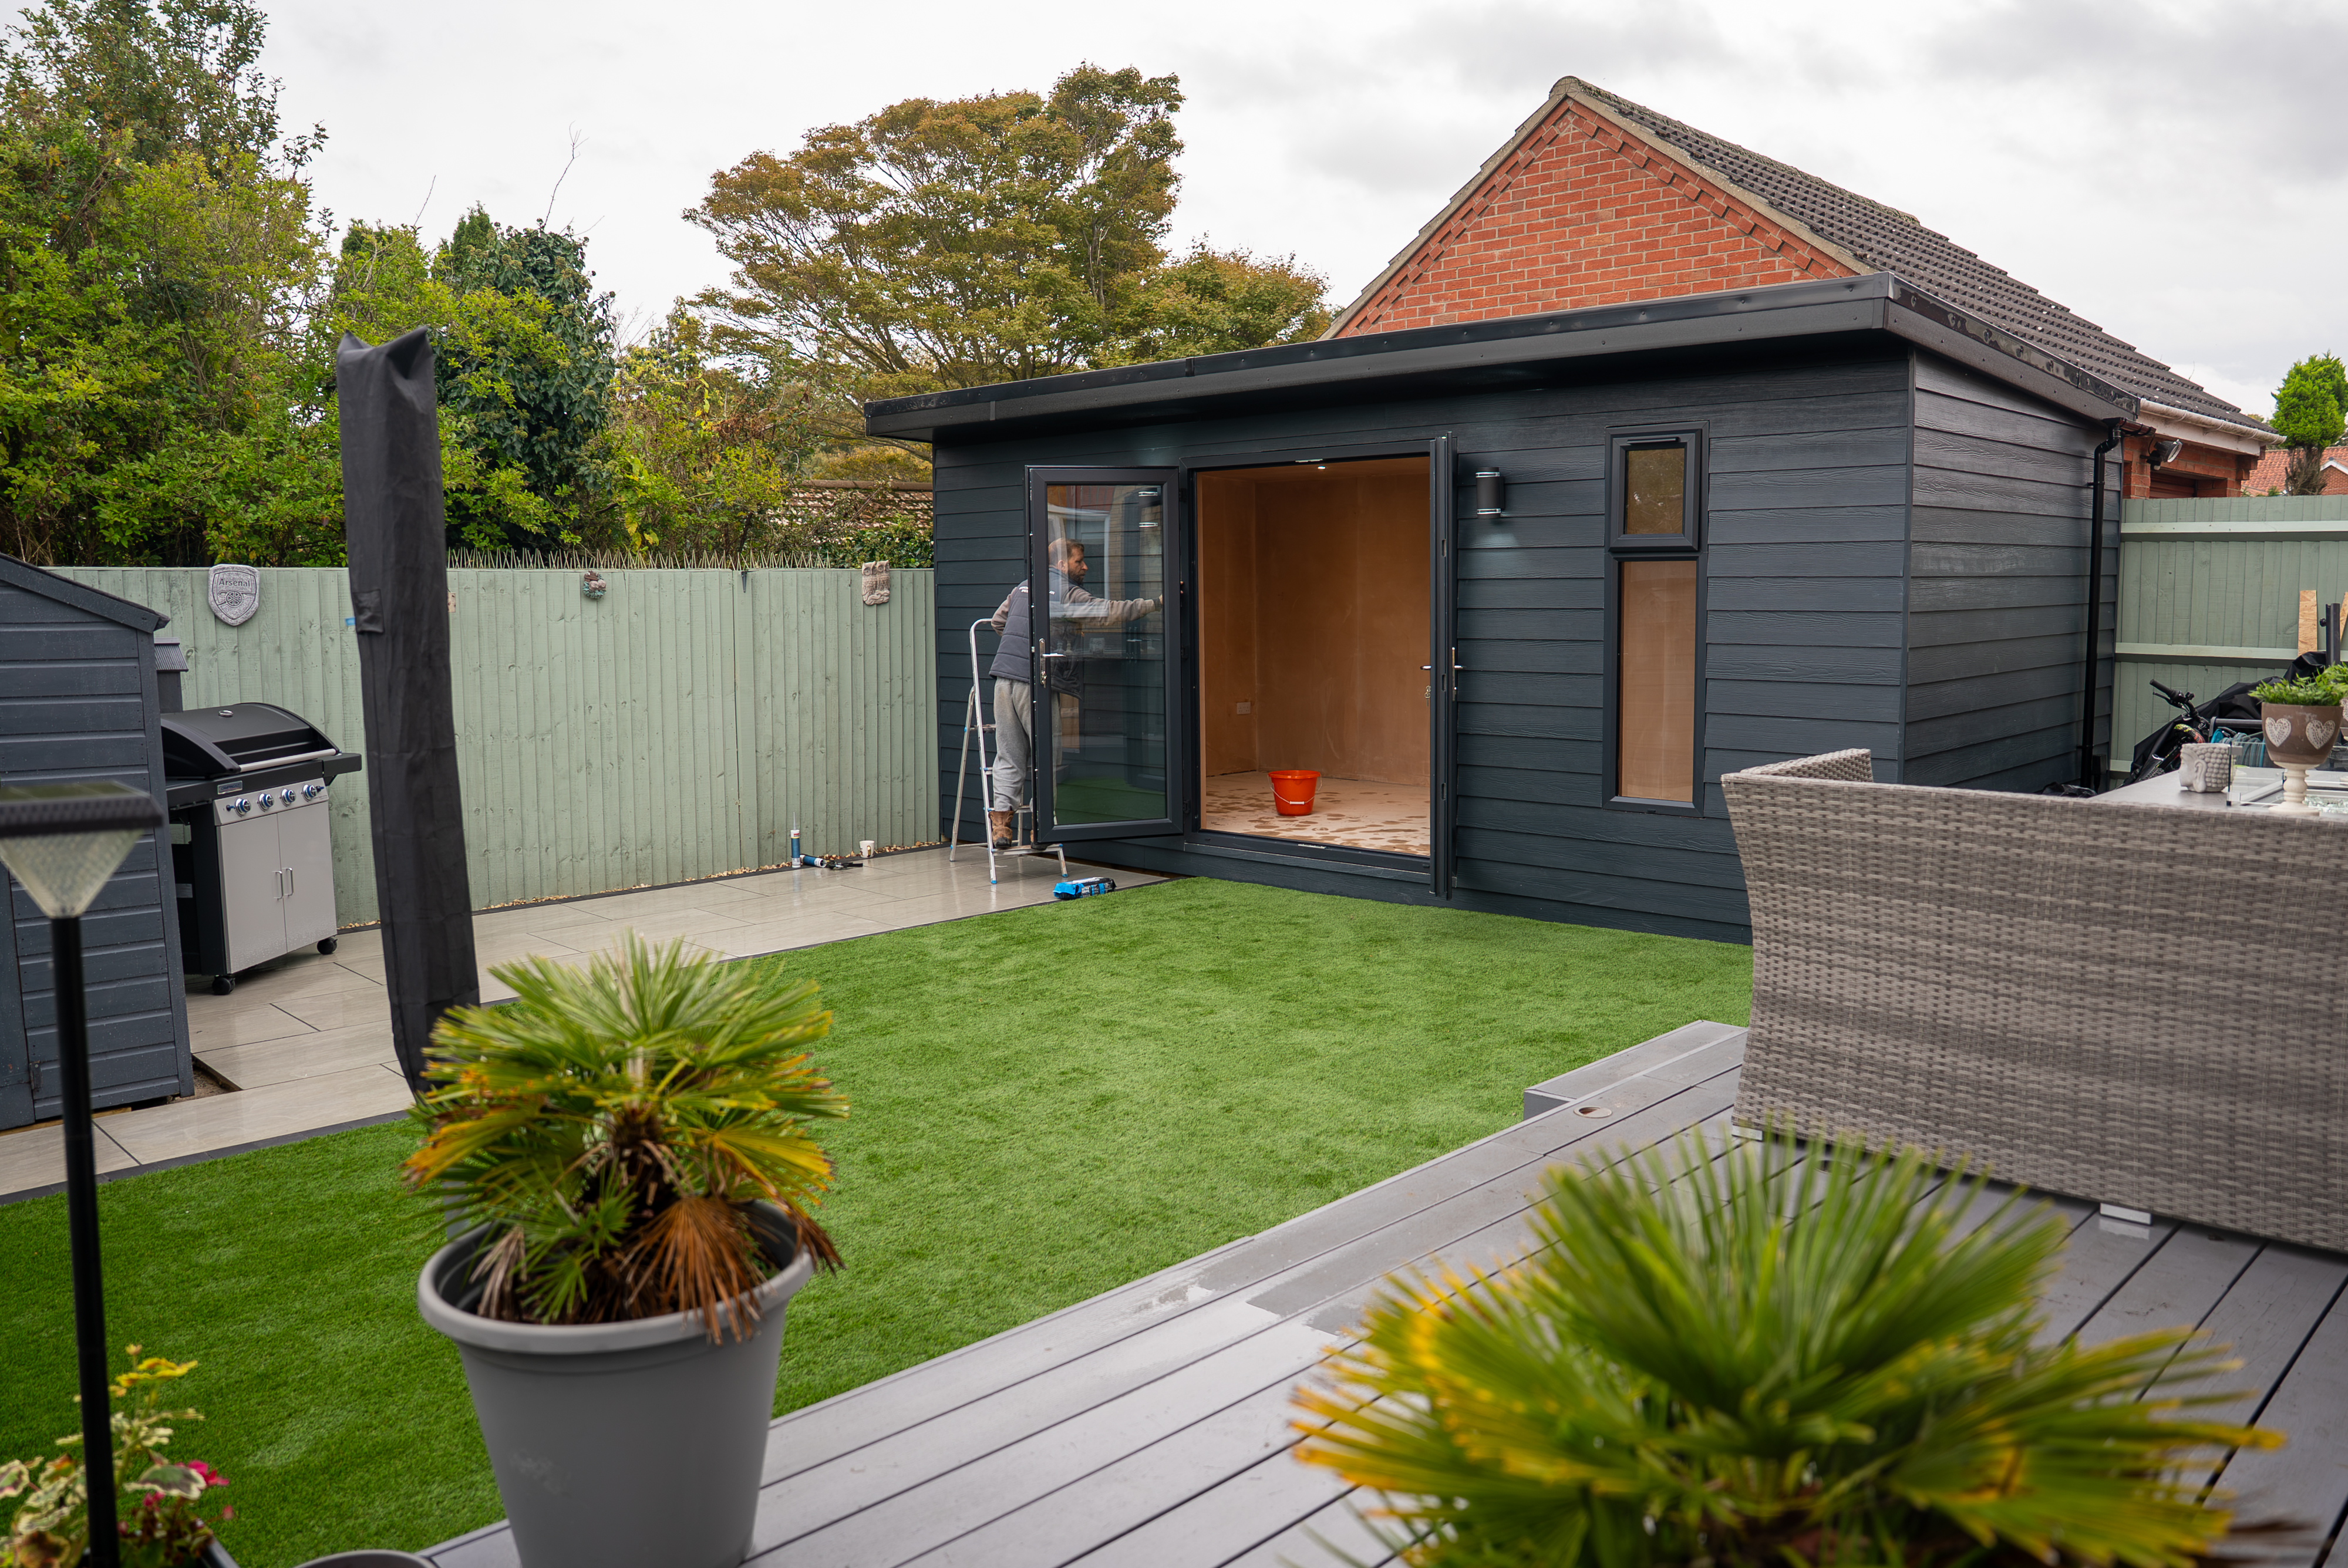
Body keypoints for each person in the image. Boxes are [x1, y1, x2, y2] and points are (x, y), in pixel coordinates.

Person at [986, 538, 1160, 848]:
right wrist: (1155, 604)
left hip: (1003, 680)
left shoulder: (1024, 587)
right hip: (1035, 683)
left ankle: (1001, 826)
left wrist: (1024, 647)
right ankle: (1041, 828)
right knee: (1047, 756)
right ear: (1063, 564)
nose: (1085, 566)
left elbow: (999, 621)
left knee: (1008, 754)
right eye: (1080, 561)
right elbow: (1108, 612)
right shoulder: (1067, 592)